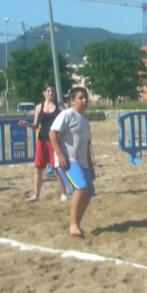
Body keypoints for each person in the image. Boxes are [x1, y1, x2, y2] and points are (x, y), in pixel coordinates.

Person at [49, 87, 95, 238]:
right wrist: (60, 154)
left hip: (82, 161)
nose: (84, 101)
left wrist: (91, 166)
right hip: (69, 159)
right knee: (80, 188)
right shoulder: (66, 115)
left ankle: (76, 224)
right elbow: (52, 132)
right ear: (72, 100)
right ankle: (73, 224)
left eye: (85, 98)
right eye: (81, 98)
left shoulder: (85, 120)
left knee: (88, 193)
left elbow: (87, 145)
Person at [17, 83, 68, 202]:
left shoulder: (60, 106)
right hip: (42, 140)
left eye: (53, 91)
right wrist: (27, 125)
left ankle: (64, 193)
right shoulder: (39, 107)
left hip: (55, 141)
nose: (51, 93)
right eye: (48, 91)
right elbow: (36, 125)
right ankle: (36, 195)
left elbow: (67, 122)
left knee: (57, 168)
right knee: (38, 169)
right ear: (44, 93)